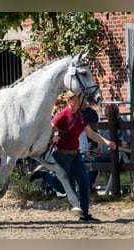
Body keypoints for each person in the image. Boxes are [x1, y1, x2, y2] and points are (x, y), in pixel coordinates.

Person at [30, 90, 116, 222]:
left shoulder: (80, 116)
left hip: (76, 156)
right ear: (70, 101)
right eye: (78, 99)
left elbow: (91, 133)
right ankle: (43, 174)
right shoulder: (62, 116)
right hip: (62, 156)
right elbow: (46, 131)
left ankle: (84, 215)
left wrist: (106, 142)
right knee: (61, 187)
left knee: (84, 182)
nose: (81, 101)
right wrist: (52, 136)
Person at [85, 104, 130, 187]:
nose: (108, 118)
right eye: (106, 115)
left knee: (94, 161)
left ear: (117, 113)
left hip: (116, 157)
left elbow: (124, 146)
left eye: (109, 115)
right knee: (84, 159)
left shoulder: (123, 126)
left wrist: (107, 153)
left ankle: (86, 186)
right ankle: (86, 187)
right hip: (103, 155)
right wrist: (93, 152)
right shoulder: (104, 126)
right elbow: (99, 147)